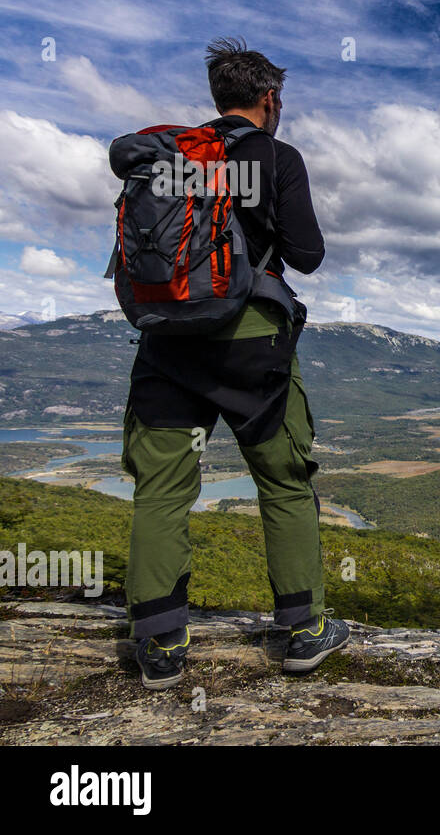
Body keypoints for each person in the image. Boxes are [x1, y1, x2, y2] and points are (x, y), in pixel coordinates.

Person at [122, 37, 348, 689]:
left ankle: (159, 646)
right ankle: (304, 634)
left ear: (218, 97)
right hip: (252, 340)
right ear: (270, 100)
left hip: (167, 340)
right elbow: (306, 254)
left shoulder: (172, 157)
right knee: (284, 479)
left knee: (161, 487)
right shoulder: (276, 156)